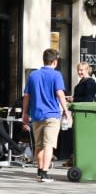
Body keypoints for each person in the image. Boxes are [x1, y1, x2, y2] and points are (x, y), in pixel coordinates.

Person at [21, 48, 71, 183]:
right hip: (52, 115)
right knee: (49, 145)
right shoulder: (56, 75)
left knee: (38, 145)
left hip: (36, 115)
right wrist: (66, 110)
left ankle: (39, 170)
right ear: (55, 62)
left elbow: (26, 96)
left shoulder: (33, 75)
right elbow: (60, 93)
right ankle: (45, 173)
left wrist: (25, 113)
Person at [61, 61, 96, 166]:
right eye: (78, 70)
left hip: (86, 114)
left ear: (87, 70)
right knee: (77, 136)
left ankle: (78, 158)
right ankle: (74, 158)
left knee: (82, 136)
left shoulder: (90, 83)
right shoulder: (83, 81)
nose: (79, 72)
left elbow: (88, 99)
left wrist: (73, 99)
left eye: (81, 70)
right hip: (80, 113)